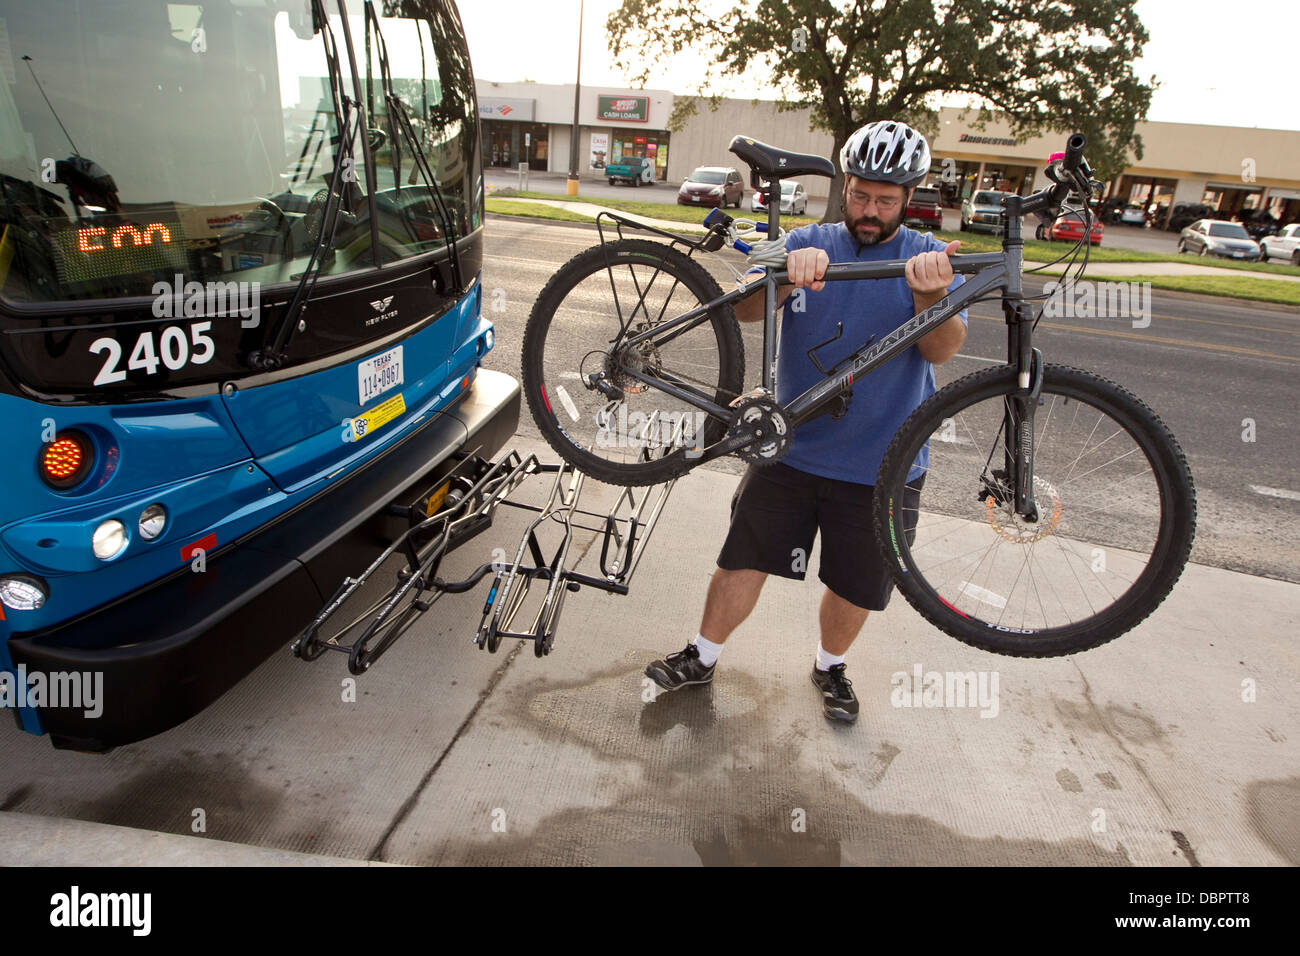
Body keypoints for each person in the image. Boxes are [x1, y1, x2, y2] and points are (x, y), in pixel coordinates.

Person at [644, 120, 968, 723]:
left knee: (856, 584)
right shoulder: (804, 238)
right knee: (741, 558)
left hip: (884, 465)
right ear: (846, 185)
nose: (869, 210)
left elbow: (942, 351)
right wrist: (779, 275)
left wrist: (929, 299)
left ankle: (829, 668)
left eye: (886, 201)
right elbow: (738, 311)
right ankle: (702, 656)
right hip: (791, 449)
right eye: (861, 194)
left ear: (910, 198)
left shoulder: (929, 258)